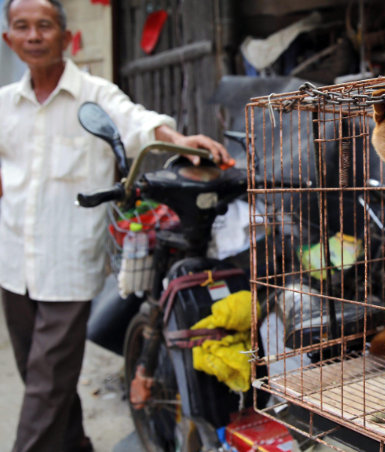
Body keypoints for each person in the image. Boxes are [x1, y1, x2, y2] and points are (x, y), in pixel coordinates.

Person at [0, 1, 232, 451]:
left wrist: (180, 141)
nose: (33, 36)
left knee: (45, 385)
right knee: (40, 376)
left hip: (67, 267)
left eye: (44, 26)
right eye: (22, 27)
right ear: (8, 38)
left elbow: (139, 123)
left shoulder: (95, 94)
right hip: (12, 264)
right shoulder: (5, 105)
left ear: (64, 38)